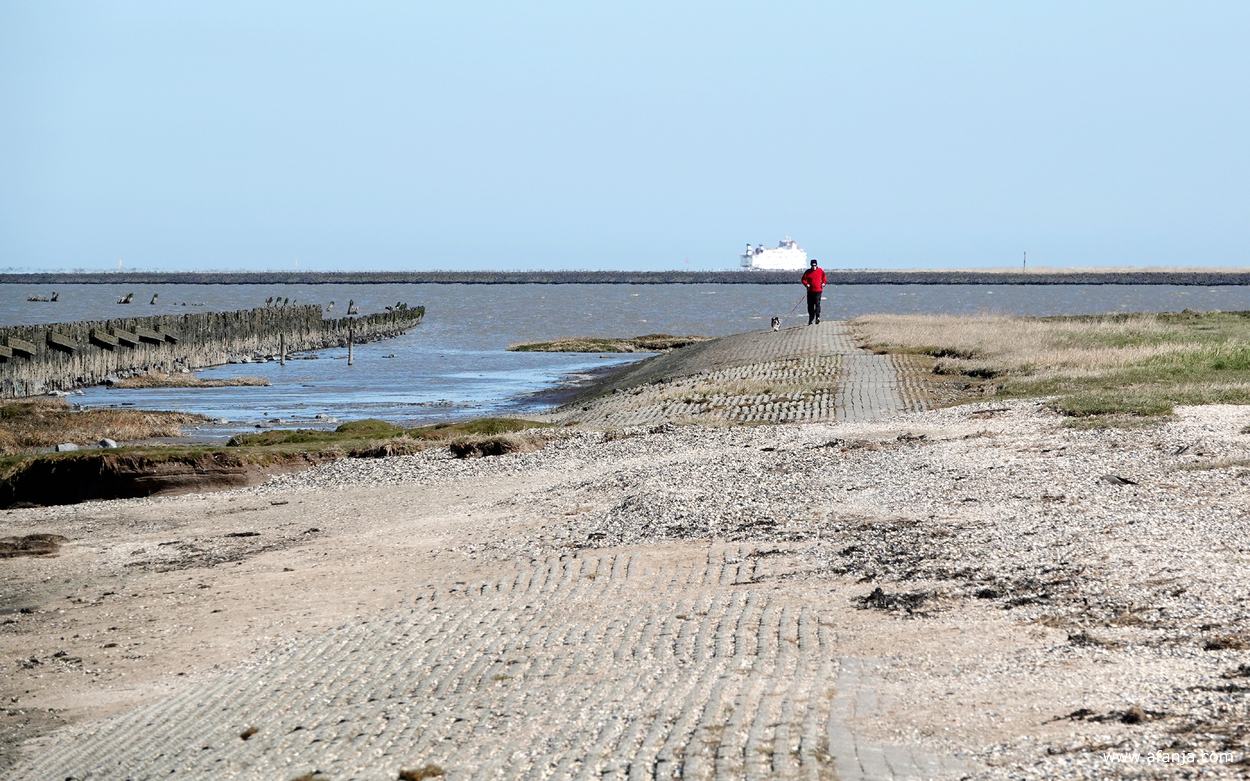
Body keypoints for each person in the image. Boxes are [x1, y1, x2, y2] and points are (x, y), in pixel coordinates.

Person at [800, 258, 826, 325]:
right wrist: (806, 284)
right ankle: (811, 319)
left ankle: (817, 317)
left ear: (816, 265)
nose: (814, 267)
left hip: (818, 291)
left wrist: (823, 283)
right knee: (810, 306)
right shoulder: (808, 272)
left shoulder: (820, 271)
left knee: (817, 304)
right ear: (811, 265)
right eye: (812, 265)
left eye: (815, 265)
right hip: (810, 291)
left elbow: (824, 278)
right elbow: (803, 279)